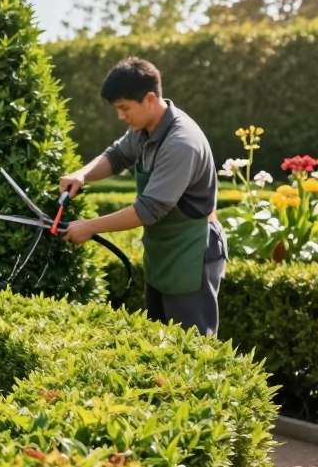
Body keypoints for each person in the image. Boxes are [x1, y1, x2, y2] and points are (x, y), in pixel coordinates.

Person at [59, 57, 227, 335]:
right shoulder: (144, 129)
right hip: (165, 252)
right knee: (160, 343)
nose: (121, 116)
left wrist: (89, 227)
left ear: (149, 99)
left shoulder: (181, 142)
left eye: (124, 108)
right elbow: (116, 156)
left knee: (192, 348)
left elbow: (148, 209)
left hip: (192, 253)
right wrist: (82, 174)